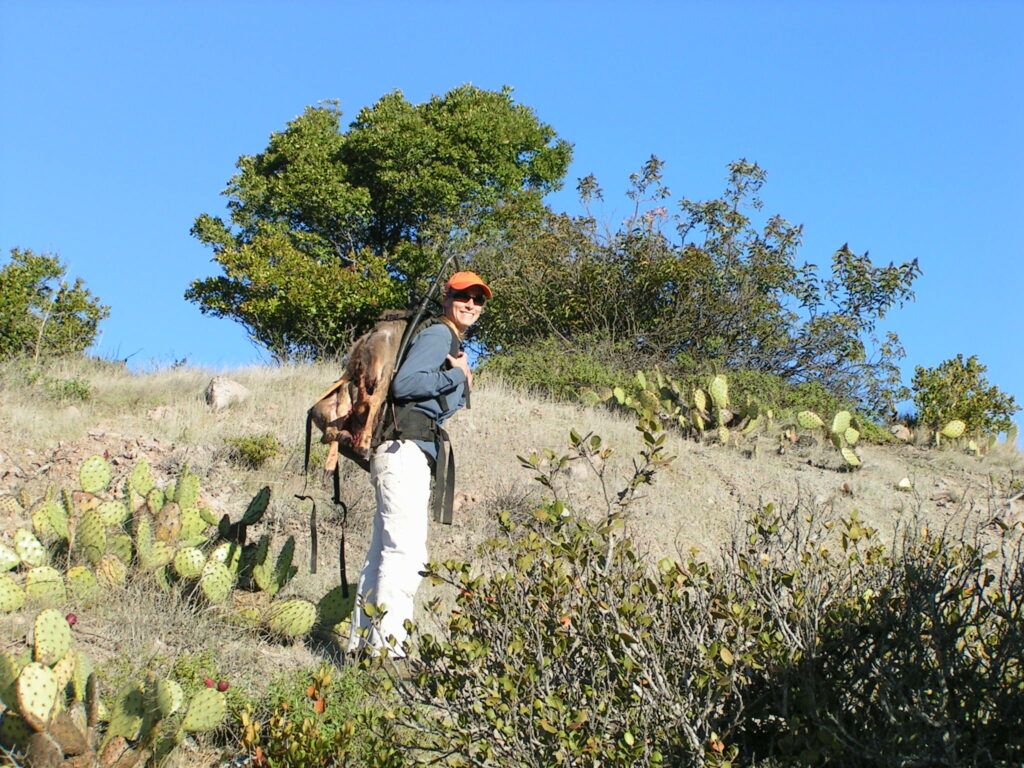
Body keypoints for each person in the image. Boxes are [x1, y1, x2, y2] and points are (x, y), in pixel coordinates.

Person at [347, 271, 491, 657]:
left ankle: (361, 647)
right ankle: (388, 652)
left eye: (478, 300)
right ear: (447, 297)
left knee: (384, 550)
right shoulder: (438, 335)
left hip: (402, 451)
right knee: (406, 553)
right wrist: (453, 376)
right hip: (404, 450)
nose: (471, 305)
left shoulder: (448, 339)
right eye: (464, 296)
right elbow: (406, 384)